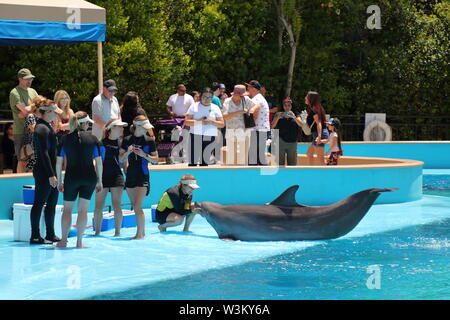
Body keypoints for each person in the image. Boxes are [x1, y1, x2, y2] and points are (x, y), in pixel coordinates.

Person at [55, 112, 103, 248]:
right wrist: (100, 181)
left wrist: (59, 181)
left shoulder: (64, 139)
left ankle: (63, 241)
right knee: (83, 210)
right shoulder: (93, 139)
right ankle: (79, 242)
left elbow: (58, 163)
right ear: (86, 123)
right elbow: (99, 162)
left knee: (68, 210)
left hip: (72, 177)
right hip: (89, 178)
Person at [29, 101, 63, 244]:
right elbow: (44, 153)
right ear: (47, 112)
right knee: (39, 203)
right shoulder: (41, 128)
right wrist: (51, 174)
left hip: (51, 171)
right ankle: (35, 235)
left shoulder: (47, 127)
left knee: (52, 203)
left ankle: (50, 234)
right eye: (54, 112)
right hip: (44, 172)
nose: (56, 115)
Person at [119, 115, 158, 239]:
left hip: (143, 175)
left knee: (137, 205)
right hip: (130, 175)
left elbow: (156, 160)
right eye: (145, 127)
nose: (147, 129)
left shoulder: (149, 141)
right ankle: (142, 231)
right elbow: (120, 159)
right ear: (137, 126)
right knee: (134, 206)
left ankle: (139, 234)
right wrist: (128, 152)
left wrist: (144, 155)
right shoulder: (127, 140)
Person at [93, 119, 129, 237]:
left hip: (117, 176)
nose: (122, 129)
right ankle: (97, 232)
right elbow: (96, 162)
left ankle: (117, 232)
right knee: (99, 205)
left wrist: (128, 177)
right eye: (119, 127)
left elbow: (123, 162)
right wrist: (97, 179)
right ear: (112, 128)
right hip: (102, 176)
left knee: (117, 204)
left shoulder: (122, 143)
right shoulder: (101, 143)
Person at [184, 87, 224, 166]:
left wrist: (212, 121)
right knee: (193, 162)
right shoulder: (194, 106)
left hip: (210, 136)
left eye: (209, 97)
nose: (207, 99)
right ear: (200, 97)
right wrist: (199, 122)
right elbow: (187, 122)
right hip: (195, 135)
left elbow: (222, 124)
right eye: (205, 97)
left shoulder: (215, 108)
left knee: (204, 162)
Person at [9, 68, 39, 173]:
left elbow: (39, 108)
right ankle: (20, 185)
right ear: (20, 79)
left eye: (30, 79)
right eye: (27, 79)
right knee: (22, 160)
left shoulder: (33, 91)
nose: (29, 81)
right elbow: (25, 110)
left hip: (34, 130)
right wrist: (32, 108)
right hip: (21, 132)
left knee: (33, 160)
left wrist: (29, 110)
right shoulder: (14, 92)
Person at [221, 85, 255, 165]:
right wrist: (240, 112)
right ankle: (231, 175)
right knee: (231, 157)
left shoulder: (246, 99)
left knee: (244, 157)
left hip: (245, 131)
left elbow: (256, 106)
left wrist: (252, 111)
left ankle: (244, 175)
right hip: (231, 131)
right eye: (241, 95)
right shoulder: (227, 101)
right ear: (235, 94)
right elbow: (225, 117)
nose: (243, 97)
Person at [271, 98, 306, 166]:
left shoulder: (296, 114)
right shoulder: (278, 114)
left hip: (292, 142)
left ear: (291, 106)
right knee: (280, 164)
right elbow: (272, 126)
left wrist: (294, 117)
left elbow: (301, 124)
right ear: (283, 106)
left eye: (289, 105)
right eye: (285, 105)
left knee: (292, 164)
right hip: (281, 141)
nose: (287, 107)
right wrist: (278, 118)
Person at [246, 80, 270, 166]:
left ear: (254, 89)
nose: (247, 88)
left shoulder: (256, 99)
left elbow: (254, 113)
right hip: (262, 129)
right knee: (259, 156)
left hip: (258, 130)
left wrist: (247, 124)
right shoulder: (259, 98)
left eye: (249, 87)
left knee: (253, 158)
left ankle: (252, 177)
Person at [305, 91, 329, 166]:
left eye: (307, 96)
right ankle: (312, 172)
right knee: (309, 154)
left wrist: (319, 136)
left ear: (311, 99)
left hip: (319, 134)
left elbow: (319, 123)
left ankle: (329, 175)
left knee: (321, 159)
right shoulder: (315, 108)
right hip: (317, 134)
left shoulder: (314, 109)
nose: (305, 98)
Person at [23, 96, 46, 172]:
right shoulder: (31, 116)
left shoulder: (45, 117)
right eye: (43, 103)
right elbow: (35, 129)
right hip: (34, 146)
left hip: (44, 144)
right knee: (33, 166)